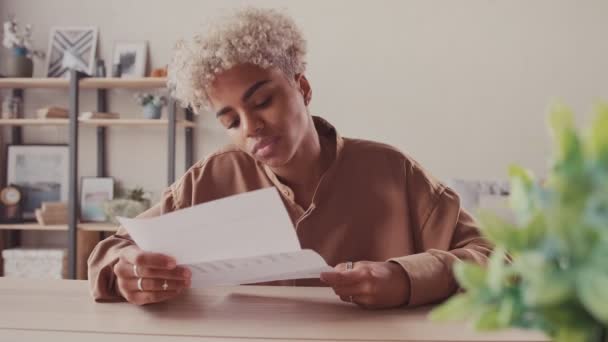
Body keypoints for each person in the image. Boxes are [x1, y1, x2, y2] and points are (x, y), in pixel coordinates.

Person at [88, 7, 491, 309]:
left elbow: (493, 259)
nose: (250, 127)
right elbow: (111, 251)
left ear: (303, 87)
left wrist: (404, 279)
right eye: (230, 120)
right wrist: (129, 269)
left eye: (262, 101)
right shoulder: (208, 180)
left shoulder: (393, 173)